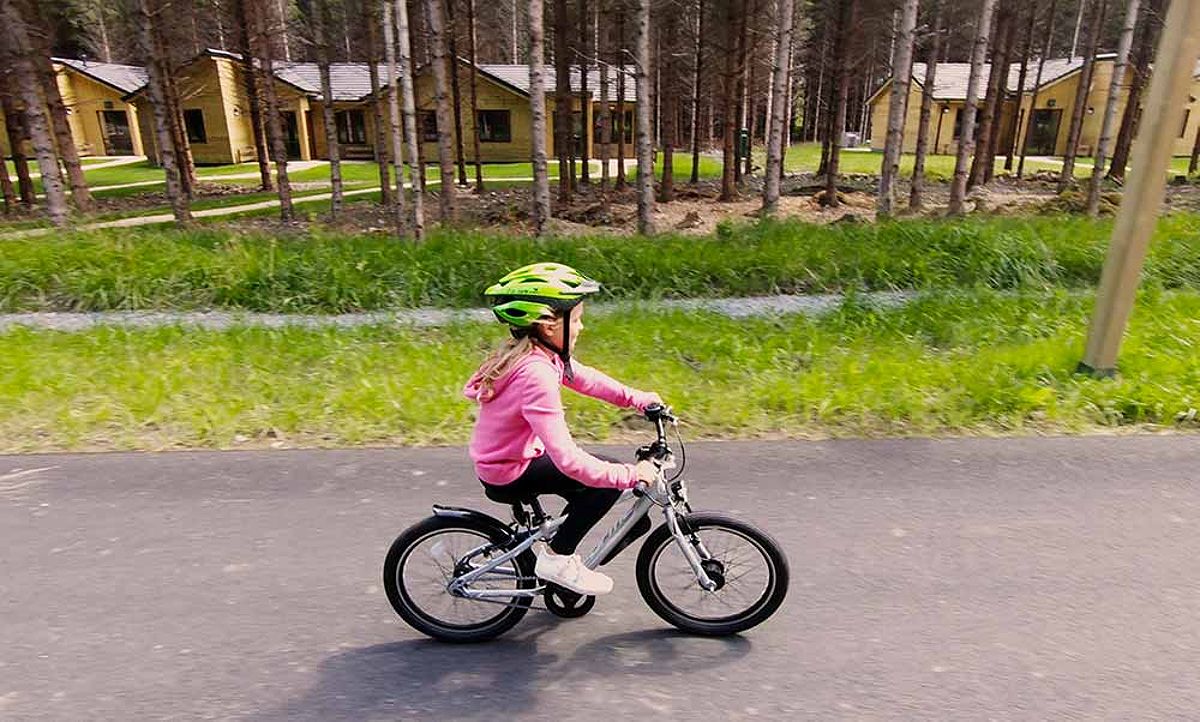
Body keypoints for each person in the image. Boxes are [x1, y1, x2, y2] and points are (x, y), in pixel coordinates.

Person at [463, 262, 661, 596]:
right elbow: (568, 460)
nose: (582, 327)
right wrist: (631, 475)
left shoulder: (539, 355)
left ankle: (558, 550)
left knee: (600, 481)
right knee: (605, 482)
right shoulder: (536, 375)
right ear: (549, 324)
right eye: (578, 318)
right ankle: (557, 559)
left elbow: (587, 379)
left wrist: (639, 400)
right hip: (510, 470)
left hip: (511, 458)